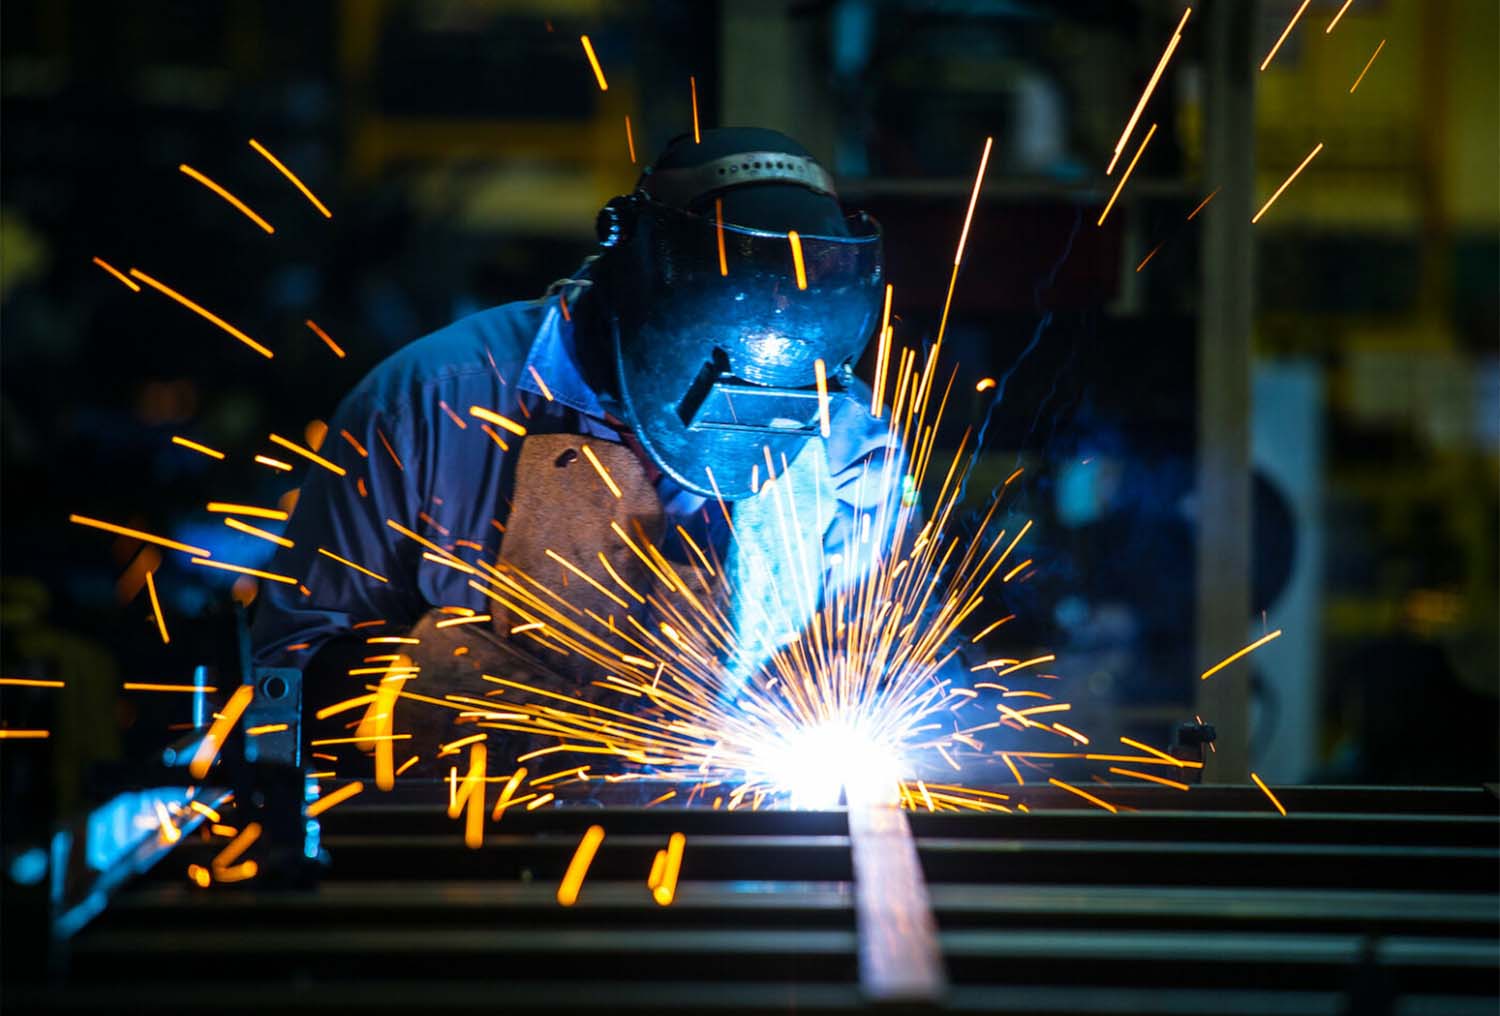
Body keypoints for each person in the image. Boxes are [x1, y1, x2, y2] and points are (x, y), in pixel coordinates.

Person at [251, 128, 899, 751]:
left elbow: (891, 660)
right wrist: (455, 701)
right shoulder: (433, 403)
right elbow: (289, 677)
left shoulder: (846, 443)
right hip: (469, 840)